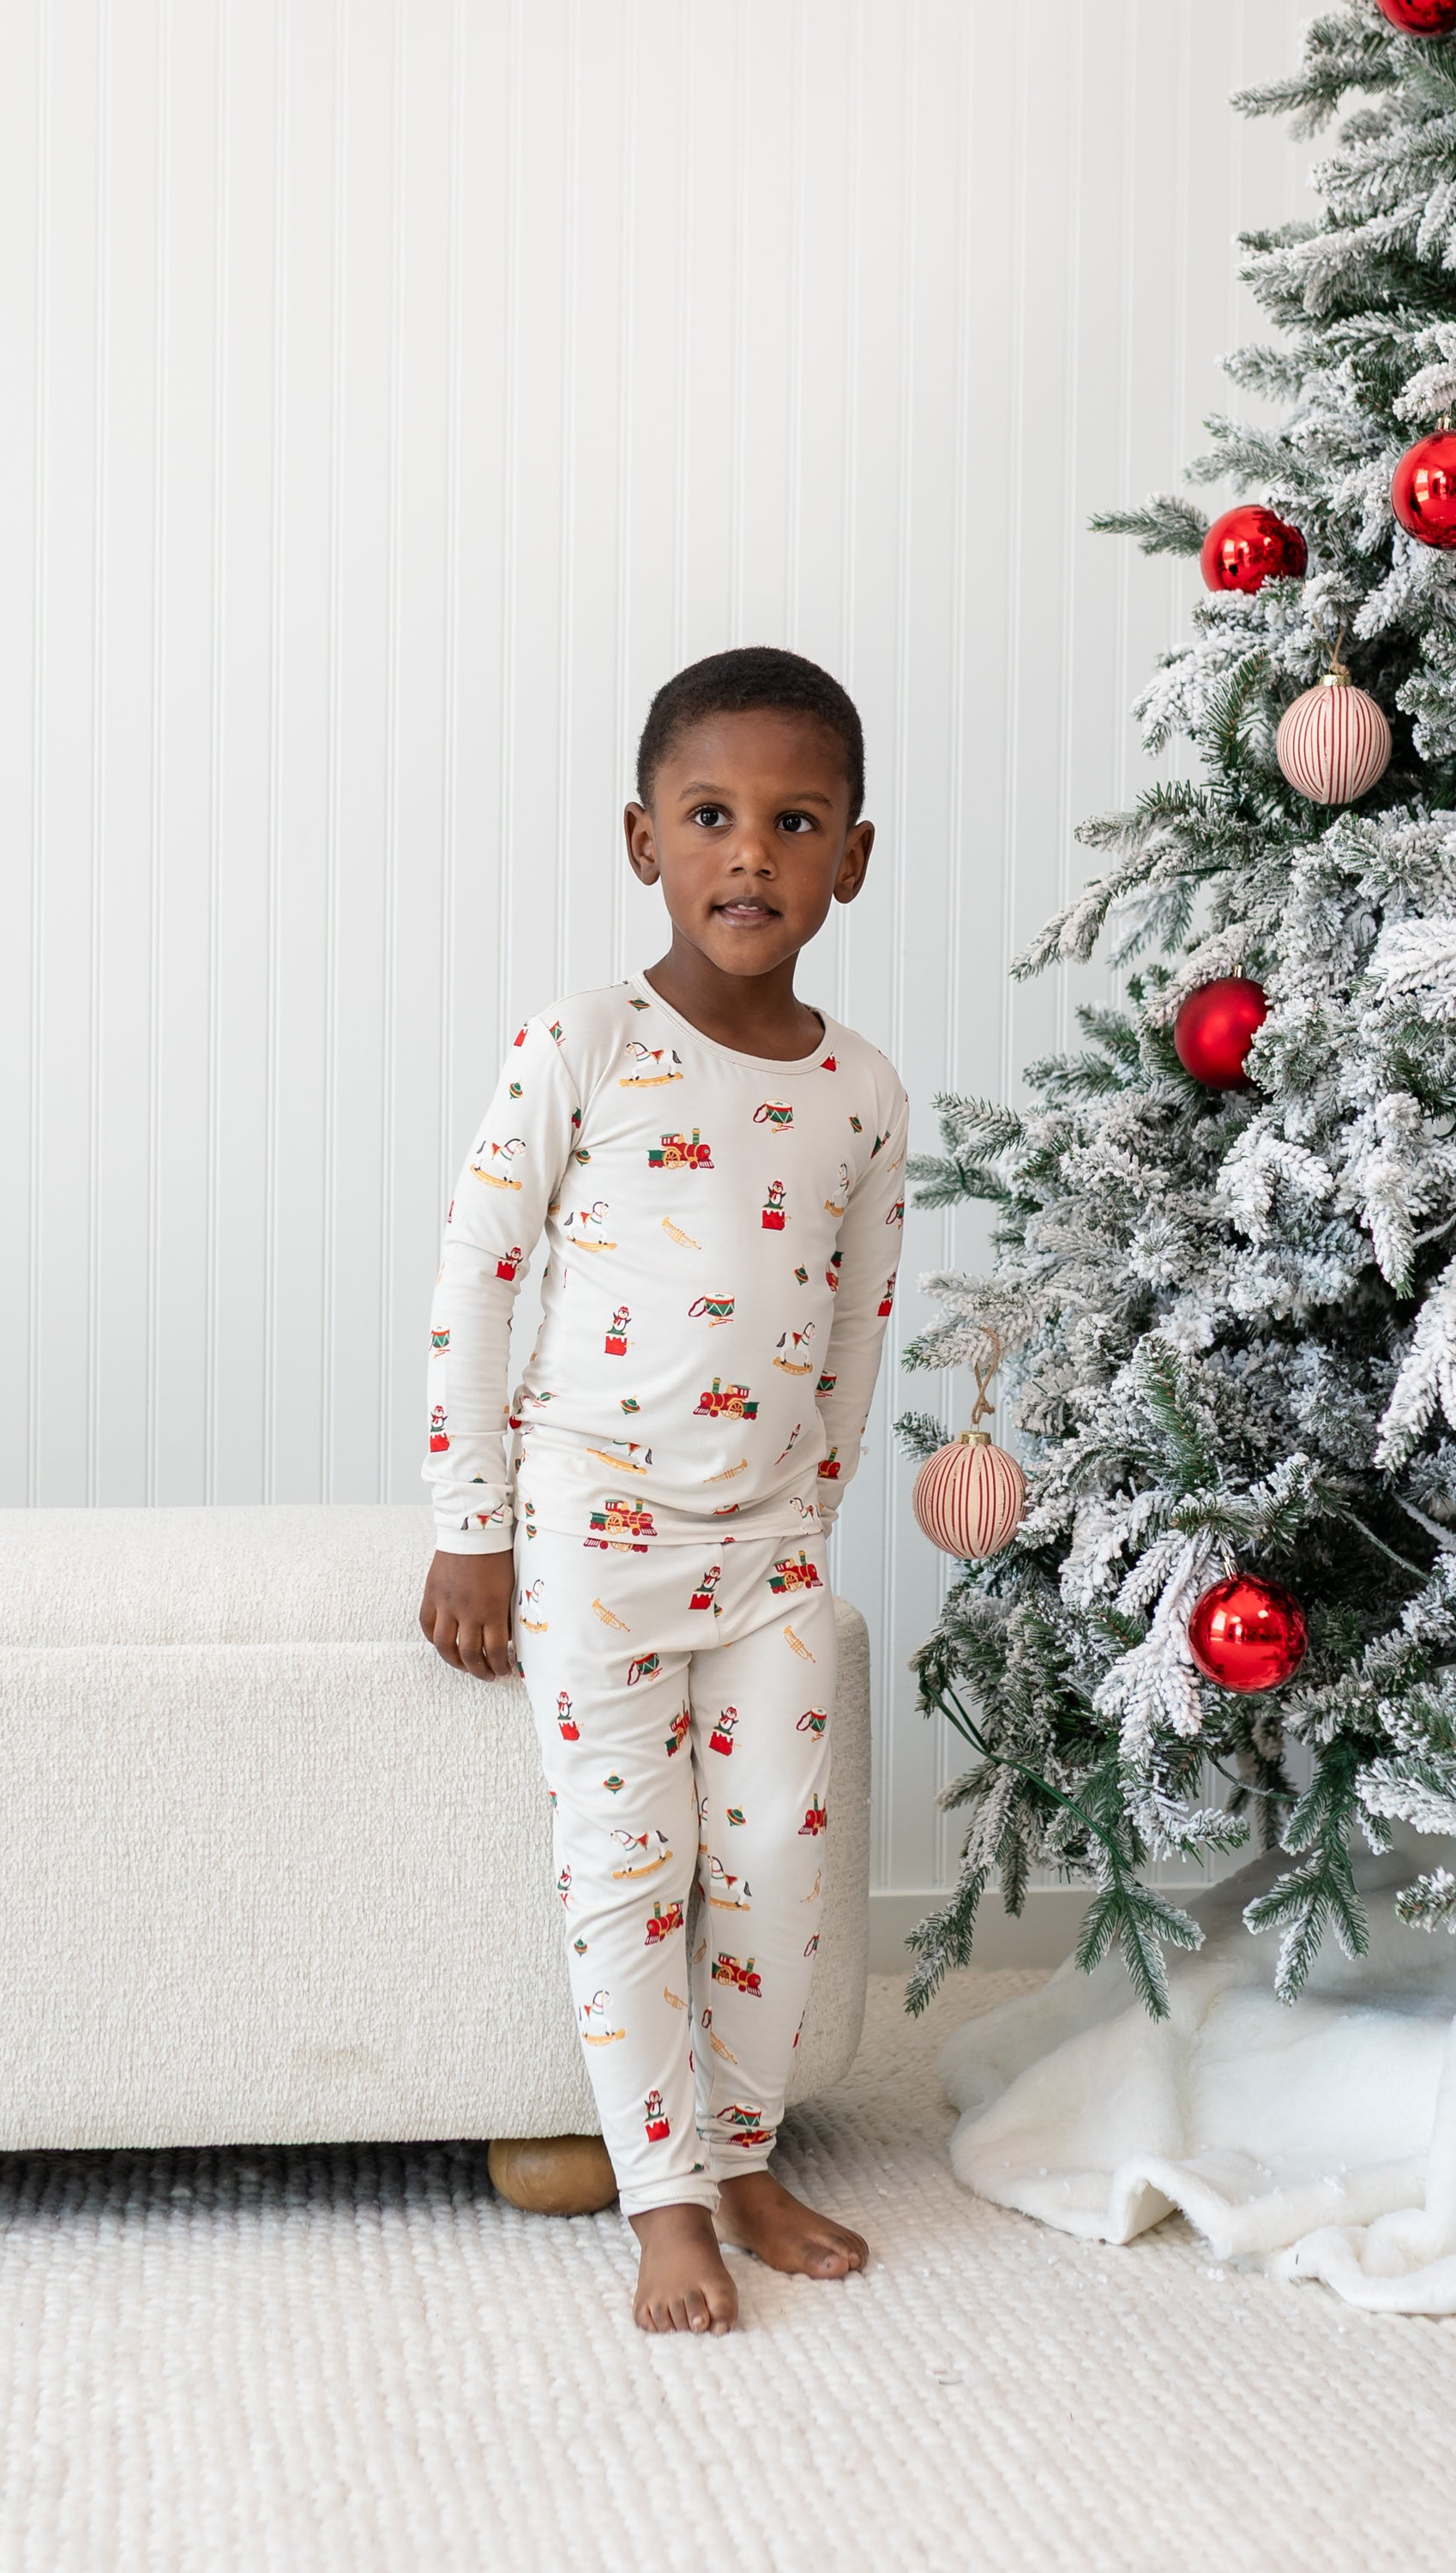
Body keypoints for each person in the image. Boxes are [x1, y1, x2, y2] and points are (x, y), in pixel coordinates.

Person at [419, 647, 907, 2334]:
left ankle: (750, 2150)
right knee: (631, 1862)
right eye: (711, 817)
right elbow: (477, 1278)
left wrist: (813, 1517)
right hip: (590, 1536)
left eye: (794, 821)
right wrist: (473, 1526)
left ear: (851, 856)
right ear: (644, 842)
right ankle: (668, 2200)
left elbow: (857, 1321)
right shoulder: (585, 1044)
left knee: (772, 1856)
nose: (751, 855)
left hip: (767, 1551)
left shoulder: (860, 1090)